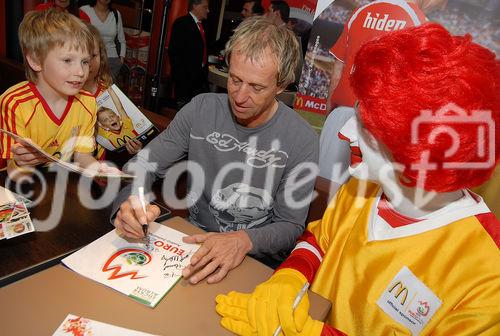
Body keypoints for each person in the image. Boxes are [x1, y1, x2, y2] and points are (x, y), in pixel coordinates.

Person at [216, 23, 500, 335]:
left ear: (422, 150)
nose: (344, 132)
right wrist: (289, 277)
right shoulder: (359, 190)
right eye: (357, 112)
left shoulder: (488, 273)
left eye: (367, 127)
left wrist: (311, 333)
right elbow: (320, 241)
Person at [113, 16, 319, 284]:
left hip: (255, 259)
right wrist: (129, 203)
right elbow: (143, 165)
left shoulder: (301, 138)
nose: (240, 96)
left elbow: (290, 225)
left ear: (282, 85)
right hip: (191, 244)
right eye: (234, 79)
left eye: (256, 87)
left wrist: (243, 240)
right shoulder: (201, 109)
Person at [319, 0, 446, 184]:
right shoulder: (421, 25)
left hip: (341, 115)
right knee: (360, 199)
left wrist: (331, 111)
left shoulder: (361, 11)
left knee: (321, 189)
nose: (441, 6)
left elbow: (339, 66)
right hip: (377, 130)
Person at [0, 9, 115, 181]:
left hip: (61, 186)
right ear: (36, 61)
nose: (81, 72)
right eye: (68, 60)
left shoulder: (88, 103)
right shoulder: (15, 103)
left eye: (85, 61)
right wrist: (23, 163)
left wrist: (99, 169)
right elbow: (15, 175)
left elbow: (82, 156)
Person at [82, 25, 141, 156]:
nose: (89, 63)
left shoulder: (107, 89)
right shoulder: (68, 93)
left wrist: (134, 147)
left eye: (93, 55)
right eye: (82, 57)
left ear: (101, 56)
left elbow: (120, 108)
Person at [168, 0, 210, 109]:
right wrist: (182, 79)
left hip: (199, 81)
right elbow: (174, 53)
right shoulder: (182, 23)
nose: (208, 10)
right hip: (186, 83)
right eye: (205, 7)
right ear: (195, 6)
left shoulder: (201, 26)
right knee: (184, 115)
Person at [80, 0, 126, 82]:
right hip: (91, 58)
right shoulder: (85, 10)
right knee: (90, 89)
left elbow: (122, 40)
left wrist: (121, 60)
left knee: (107, 91)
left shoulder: (116, 14)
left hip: (112, 61)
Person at [96, 87, 142, 154]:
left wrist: (111, 91)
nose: (110, 119)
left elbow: (120, 108)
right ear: (103, 126)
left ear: (118, 117)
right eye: (105, 120)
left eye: (111, 116)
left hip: (138, 152)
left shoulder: (127, 125)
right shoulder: (106, 134)